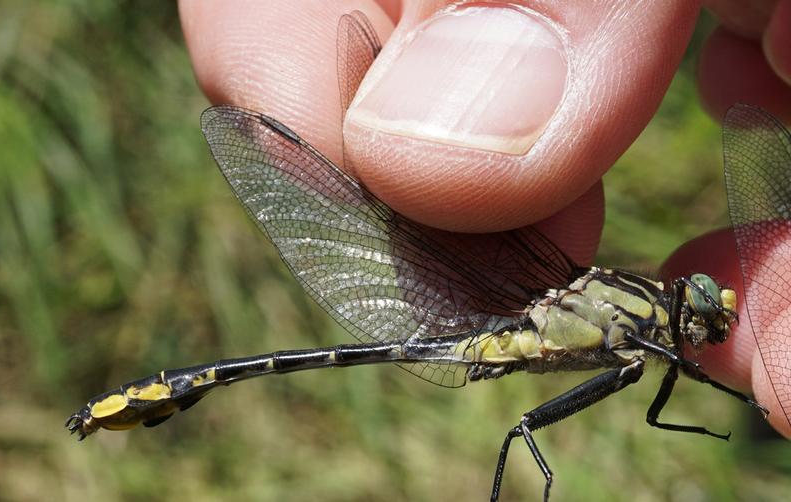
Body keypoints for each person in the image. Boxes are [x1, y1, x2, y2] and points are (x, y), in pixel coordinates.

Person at [178, 0, 791, 437]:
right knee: (522, 429)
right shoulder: (642, 334)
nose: (704, 316)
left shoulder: (643, 344)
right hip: (508, 309)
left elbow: (664, 400)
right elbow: (680, 375)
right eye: (697, 309)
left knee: (525, 428)